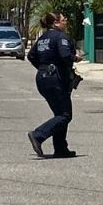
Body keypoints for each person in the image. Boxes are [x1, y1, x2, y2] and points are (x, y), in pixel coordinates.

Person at [27, 11, 81, 158]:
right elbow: (65, 56)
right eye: (64, 19)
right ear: (56, 23)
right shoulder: (60, 37)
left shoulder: (42, 38)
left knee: (60, 113)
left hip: (43, 78)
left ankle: (61, 148)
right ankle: (38, 135)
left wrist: (43, 68)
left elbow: (31, 56)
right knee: (65, 115)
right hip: (55, 79)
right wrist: (75, 58)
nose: (66, 21)